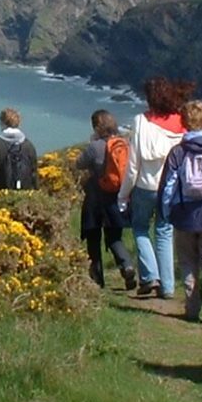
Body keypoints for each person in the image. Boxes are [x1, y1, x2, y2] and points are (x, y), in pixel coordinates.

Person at [117, 75, 194, 299]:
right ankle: (168, 287)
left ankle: (150, 277)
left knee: (140, 228)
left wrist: (123, 195)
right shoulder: (182, 123)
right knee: (164, 231)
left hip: (145, 186)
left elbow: (133, 165)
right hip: (171, 188)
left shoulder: (141, 121)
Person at [158, 100, 202, 321]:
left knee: (187, 261)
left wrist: (166, 212)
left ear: (185, 123)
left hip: (184, 214)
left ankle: (192, 308)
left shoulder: (178, 152)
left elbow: (168, 187)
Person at [76, 110, 137, 290]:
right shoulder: (124, 144)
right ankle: (127, 266)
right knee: (114, 238)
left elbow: (79, 163)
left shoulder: (95, 147)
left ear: (96, 127)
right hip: (117, 197)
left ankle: (97, 280)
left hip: (95, 198)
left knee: (93, 238)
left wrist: (92, 142)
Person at [0, 107, 38, 191]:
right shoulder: (29, 146)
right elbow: (34, 173)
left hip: (1, 194)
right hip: (25, 196)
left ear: (2, 123)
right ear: (18, 123)